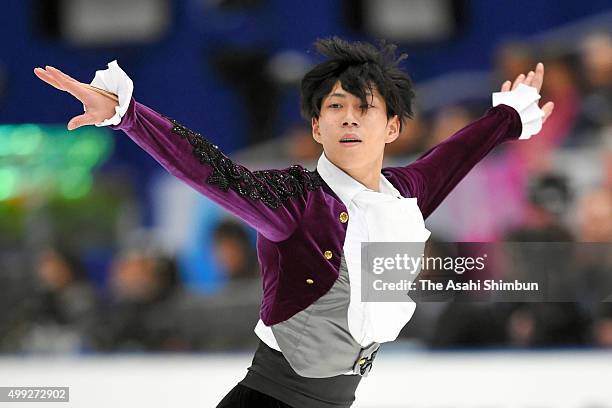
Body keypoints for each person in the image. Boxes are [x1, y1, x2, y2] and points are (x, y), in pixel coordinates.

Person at [34, 37, 554, 408]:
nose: (349, 117)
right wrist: (127, 115)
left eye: (365, 108)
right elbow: (214, 173)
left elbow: (458, 152)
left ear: (393, 126)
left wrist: (508, 116)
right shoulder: (299, 202)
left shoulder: (406, 196)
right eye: (335, 106)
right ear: (316, 125)